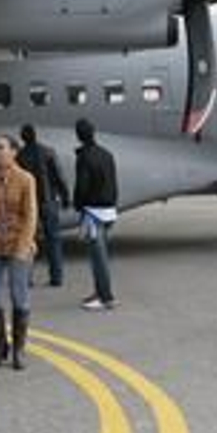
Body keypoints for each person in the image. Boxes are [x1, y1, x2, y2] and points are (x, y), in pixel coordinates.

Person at [0, 135, 37, 370]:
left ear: (13, 152)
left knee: (18, 296)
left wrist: (24, 246)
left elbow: (31, 215)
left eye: (1, 147)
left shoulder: (26, 179)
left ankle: (18, 349)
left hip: (17, 245)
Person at [72, 118, 119, 311]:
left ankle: (106, 297)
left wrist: (78, 204)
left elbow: (82, 186)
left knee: (98, 258)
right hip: (109, 210)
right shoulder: (107, 154)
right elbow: (113, 181)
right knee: (99, 256)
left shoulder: (84, 157)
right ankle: (100, 292)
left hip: (93, 212)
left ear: (78, 135)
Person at [16, 124, 71, 287]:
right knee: (53, 240)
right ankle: (57, 277)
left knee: (28, 241)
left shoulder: (20, 156)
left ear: (23, 138)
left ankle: (28, 278)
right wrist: (66, 197)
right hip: (49, 202)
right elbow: (59, 177)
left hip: (29, 204)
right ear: (35, 135)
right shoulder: (48, 152)